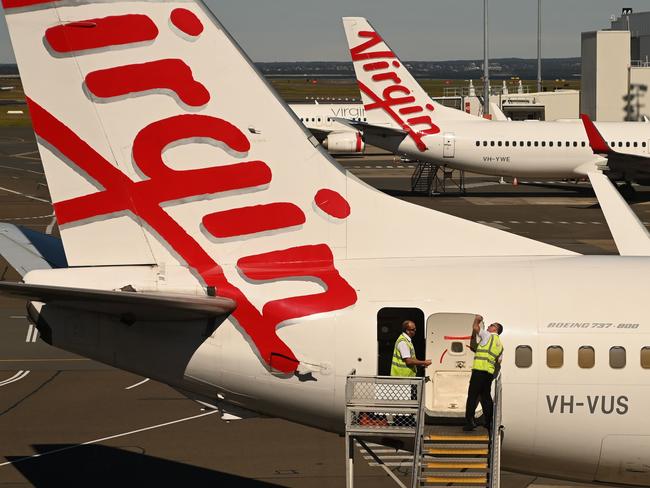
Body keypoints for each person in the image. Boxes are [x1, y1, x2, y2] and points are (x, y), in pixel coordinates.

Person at [463, 314, 503, 431]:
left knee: (472, 396)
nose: (489, 326)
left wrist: (477, 320)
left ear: (495, 329)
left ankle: (470, 421)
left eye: (491, 325)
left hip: (479, 371)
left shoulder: (487, 335)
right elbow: (499, 360)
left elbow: (476, 328)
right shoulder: (500, 344)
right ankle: (489, 422)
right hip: (488, 373)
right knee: (486, 397)